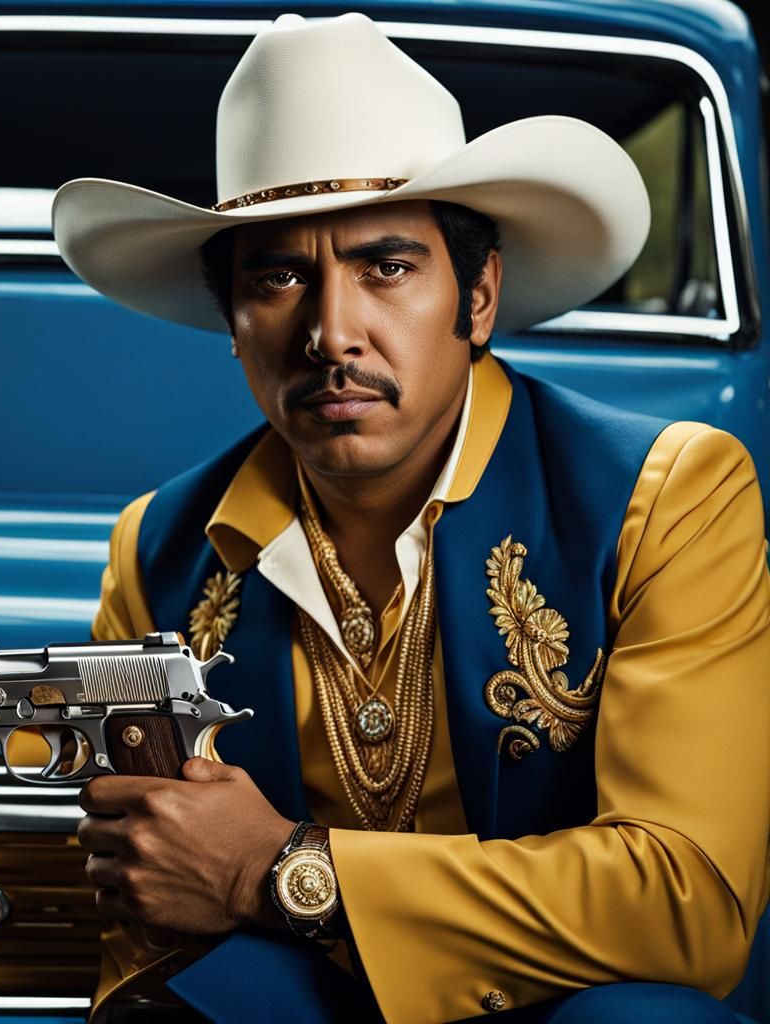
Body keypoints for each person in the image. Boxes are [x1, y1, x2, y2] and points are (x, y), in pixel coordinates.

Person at [52, 13, 770, 1024]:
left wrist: (285, 869)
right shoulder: (158, 548)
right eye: (278, 275)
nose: (330, 332)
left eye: (384, 266)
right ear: (233, 323)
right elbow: (149, 903)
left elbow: (689, 905)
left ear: (476, 296)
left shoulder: (667, 495)